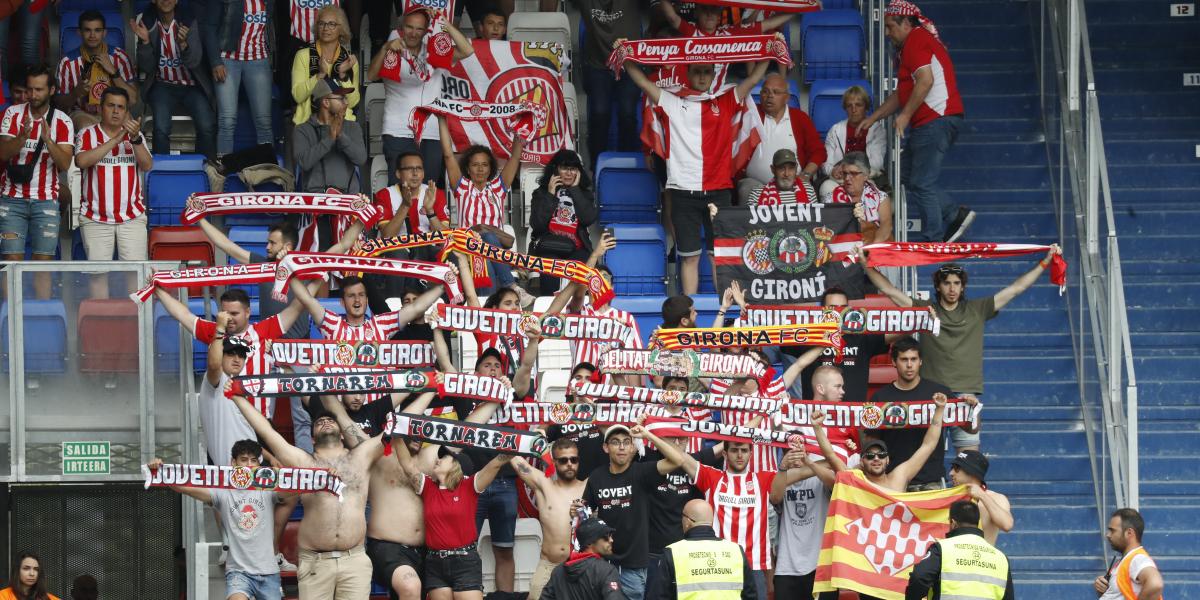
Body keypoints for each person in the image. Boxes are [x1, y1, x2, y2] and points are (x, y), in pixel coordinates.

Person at [860, 245, 1063, 452]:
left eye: (957, 283)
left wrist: (1045, 262)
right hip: (930, 394)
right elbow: (889, 291)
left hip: (966, 396)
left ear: (963, 286)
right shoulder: (925, 309)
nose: (952, 288)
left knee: (968, 459)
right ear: (938, 286)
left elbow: (1016, 289)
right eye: (946, 283)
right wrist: (865, 263)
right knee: (924, 456)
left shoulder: (978, 309)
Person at [620, 49, 772, 295]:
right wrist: (625, 56)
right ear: (687, 74)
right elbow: (642, 81)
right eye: (697, 72)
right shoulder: (672, 101)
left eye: (706, 72)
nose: (702, 77)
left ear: (714, 75)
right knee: (689, 257)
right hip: (683, 191)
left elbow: (753, 79)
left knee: (717, 256)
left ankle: (721, 312)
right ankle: (689, 312)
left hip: (719, 190)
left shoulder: (726, 98)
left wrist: (770, 49)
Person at [637, 424, 819, 600]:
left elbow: (801, 477)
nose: (739, 455)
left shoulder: (763, 478)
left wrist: (839, 453)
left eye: (744, 450)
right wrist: (650, 433)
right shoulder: (711, 477)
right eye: (734, 450)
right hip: (718, 565)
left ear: (751, 453)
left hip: (753, 565)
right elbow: (681, 456)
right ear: (724, 454)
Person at [232, 391, 385, 599]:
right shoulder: (304, 463)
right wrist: (237, 398)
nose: (324, 422)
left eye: (330, 420)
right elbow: (266, 433)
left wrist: (431, 386)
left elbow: (401, 430)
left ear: (342, 433)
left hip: (354, 562)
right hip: (315, 563)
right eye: (318, 421)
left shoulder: (362, 456)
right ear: (312, 438)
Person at [857, 0, 971, 243]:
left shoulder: (916, 39)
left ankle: (932, 239)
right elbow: (902, 93)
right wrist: (873, 118)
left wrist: (906, 115)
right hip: (934, 122)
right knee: (906, 175)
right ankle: (954, 214)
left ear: (907, 23)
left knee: (921, 182)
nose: (887, 34)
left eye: (890, 27)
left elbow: (925, 80)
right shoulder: (913, 43)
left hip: (936, 120)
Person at [147, 440, 283, 600]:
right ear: (233, 463)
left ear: (260, 465)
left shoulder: (268, 490)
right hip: (239, 573)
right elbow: (187, 488)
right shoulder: (223, 493)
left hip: (269, 572)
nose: (249, 465)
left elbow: (296, 488)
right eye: (244, 460)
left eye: (254, 461)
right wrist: (161, 471)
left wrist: (280, 476)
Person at [391, 437, 515, 600]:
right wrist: (396, 436)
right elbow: (407, 464)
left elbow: (496, 463)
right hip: (435, 563)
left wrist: (517, 444)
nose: (438, 459)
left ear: (457, 466)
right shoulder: (428, 487)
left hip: (465, 562)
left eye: (444, 458)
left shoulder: (469, 486)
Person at [0, 64, 75, 300]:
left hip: (46, 201)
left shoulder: (63, 121)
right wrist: (22, 137)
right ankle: (11, 318)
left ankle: (40, 316)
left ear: (52, 90)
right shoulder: (12, 114)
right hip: (12, 199)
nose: (33, 95)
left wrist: (48, 141)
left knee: (43, 263)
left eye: (39, 90)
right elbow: (3, 153)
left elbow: (64, 165)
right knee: (11, 262)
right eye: (30, 89)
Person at [582, 424, 678, 600]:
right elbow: (585, 514)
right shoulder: (596, 477)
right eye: (615, 442)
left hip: (632, 566)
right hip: (603, 564)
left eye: (627, 442)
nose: (621, 447)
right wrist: (576, 511)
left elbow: (677, 460)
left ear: (633, 447)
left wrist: (647, 435)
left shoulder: (642, 472)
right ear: (605, 447)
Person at [74, 87, 153, 299]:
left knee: (136, 276)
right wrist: (116, 140)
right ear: (100, 108)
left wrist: (134, 139)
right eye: (111, 106)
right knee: (98, 276)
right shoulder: (87, 134)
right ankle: (101, 328)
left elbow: (147, 165)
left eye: (121, 107)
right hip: (95, 217)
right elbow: (81, 161)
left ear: (127, 111)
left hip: (132, 217)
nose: (116, 111)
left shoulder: (136, 137)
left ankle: (135, 328)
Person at [542, 0, 643, 164]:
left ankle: (630, 164)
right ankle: (597, 166)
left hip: (630, 63)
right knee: (599, 113)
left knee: (627, 113)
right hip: (598, 65)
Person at [438, 113, 523, 292]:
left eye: (484, 165)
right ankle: (511, 286)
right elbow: (447, 155)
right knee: (487, 240)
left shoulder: (497, 188)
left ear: (491, 168)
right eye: (475, 165)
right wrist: (441, 120)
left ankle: (487, 305)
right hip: (466, 248)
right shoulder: (462, 188)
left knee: (488, 243)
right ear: (467, 168)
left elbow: (514, 158)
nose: (480, 169)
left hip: (493, 251)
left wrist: (521, 127)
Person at [863, 336, 959, 490]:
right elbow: (871, 441)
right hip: (894, 482)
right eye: (904, 359)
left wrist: (970, 408)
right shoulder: (880, 397)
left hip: (931, 482)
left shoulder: (939, 393)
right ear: (894, 362)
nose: (909, 365)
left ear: (920, 361)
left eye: (914, 359)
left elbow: (970, 428)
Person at [368, 11, 447, 187]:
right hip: (398, 130)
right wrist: (385, 48)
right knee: (399, 188)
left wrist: (443, 23)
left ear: (427, 31)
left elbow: (467, 50)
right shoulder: (392, 53)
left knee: (428, 188)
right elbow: (372, 75)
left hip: (432, 131)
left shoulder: (435, 53)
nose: (413, 32)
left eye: (419, 28)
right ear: (401, 28)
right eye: (409, 27)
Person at [812, 394, 946, 493]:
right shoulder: (855, 481)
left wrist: (939, 410)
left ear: (887, 460)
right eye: (870, 456)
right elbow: (830, 455)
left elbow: (928, 445)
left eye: (881, 455)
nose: (876, 458)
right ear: (862, 461)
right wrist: (817, 427)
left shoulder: (899, 477)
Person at [133, 0, 217, 158]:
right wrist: (145, 42)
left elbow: (194, 61)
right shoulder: (148, 22)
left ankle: (205, 170)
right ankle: (161, 170)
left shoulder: (189, 21)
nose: (166, 0)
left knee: (206, 126)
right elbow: (147, 67)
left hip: (192, 86)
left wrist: (184, 45)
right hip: (162, 85)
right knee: (161, 128)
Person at [511, 439, 589, 600]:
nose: (569, 464)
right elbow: (514, 459)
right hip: (548, 566)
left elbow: (617, 465)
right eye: (563, 460)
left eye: (574, 459)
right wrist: (530, 440)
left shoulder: (589, 486)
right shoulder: (544, 485)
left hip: (581, 566)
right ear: (554, 462)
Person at [656, 3, 792, 91]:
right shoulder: (691, 31)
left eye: (713, 9)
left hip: (717, 96)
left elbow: (766, 25)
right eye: (705, 9)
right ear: (697, 12)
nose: (709, 14)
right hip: (689, 95)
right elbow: (672, 18)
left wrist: (799, 10)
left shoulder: (729, 33)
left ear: (719, 13)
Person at [203, 0, 276, 155]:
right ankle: (224, 170)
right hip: (227, 60)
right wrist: (216, 61)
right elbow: (209, 28)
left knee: (264, 122)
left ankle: (266, 170)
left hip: (258, 59)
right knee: (227, 121)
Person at [797, 287, 894, 402]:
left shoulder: (862, 336)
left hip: (852, 415)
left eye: (843, 308)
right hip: (816, 415)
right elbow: (775, 331)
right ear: (822, 310)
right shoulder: (807, 336)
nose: (838, 312)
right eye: (832, 308)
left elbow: (901, 331)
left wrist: (916, 316)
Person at [647, 499, 756, 600]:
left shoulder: (673, 552)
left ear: (687, 521)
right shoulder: (736, 551)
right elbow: (750, 595)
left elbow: (658, 596)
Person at [905, 501, 1015, 600]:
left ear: (953, 523)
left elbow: (919, 578)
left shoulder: (942, 549)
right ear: (977, 523)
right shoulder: (1001, 558)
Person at [290, 274, 446, 342]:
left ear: (367, 299)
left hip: (376, 406)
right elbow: (306, 299)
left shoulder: (380, 324)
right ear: (342, 303)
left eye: (361, 295)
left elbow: (416, 308)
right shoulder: (333, 324)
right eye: (351, 296)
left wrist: (443, 285)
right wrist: (286, 266)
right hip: (343, 402)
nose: (357, 300)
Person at [742, 73, 824, 200]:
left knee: (805, 190)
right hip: (756, 184)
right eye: (765, 91)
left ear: (787, 98)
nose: (770, 96)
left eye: (776, 92)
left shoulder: (800, 118)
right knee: (745, 189)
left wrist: (806, 175)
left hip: (791, 181)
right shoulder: (752, 114)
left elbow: (819, 152)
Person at [770, 448, 838, 600]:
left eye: (799, 452)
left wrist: (808, 462)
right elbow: (774, 497)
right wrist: (783, 467)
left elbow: (835, 481)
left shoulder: (819, 477)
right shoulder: (781, 480)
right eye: (791, 453)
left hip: (821, 567)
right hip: (786, 568)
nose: (795, 457)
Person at [55, 10, 139, 130]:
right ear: (79, 32)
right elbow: (60, 105)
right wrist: (76, 92)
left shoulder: (119, 57)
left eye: (97, 30)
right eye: (87, 30)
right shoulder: (67, 62)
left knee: (129, 125)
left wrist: (114, 73)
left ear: (104, 33)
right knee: (87, 128)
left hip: (115, 110)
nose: (92, 35)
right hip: (82, 113)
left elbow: (132, 100)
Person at [530, 149, 598, 294]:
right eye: (564, 168)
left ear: (578, 172)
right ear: (555, 170)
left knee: (583, 266)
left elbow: (588, 218)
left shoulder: (584, 193)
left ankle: (577, 310)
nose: (568, 173)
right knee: (549, 265)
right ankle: (550, 312)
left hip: (577, 248)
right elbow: (537, 224)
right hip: (550, 246)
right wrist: (550, 194)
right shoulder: (541, 192)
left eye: (573, 169)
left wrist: (575, 190)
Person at [294, 77, 366, 194]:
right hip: (315, 199)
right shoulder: (302, 130)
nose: (346, 103)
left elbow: (361, 159)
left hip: (347, 198)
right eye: (341, 98)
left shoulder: (353, 127)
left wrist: (341, 136)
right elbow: (304, 163)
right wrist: (330, 139)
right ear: (326, 102)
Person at [290, 5, 360, 125]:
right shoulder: (303, 56)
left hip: (343, 124)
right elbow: (298, 96)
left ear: (341, 29)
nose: (325, 28)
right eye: (321, 24)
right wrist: (319, 75)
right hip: (309, 124)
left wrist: (343, 76)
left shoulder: (349, 60)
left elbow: (353, 103)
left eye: (332, 24)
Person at [198, 327, 255, 465]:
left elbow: (245, 433)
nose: (237, 359)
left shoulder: (236, 385)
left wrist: (270, 457)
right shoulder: (215, 380)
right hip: (227, 470)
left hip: (251, 465)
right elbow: (213, 365)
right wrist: (220, 328)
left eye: (241, 355)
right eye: (231, 354)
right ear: (221, 355)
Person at [821, 85, 885, 194]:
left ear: (866, 106)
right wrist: (832, 170)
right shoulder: (836, 130)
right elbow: (825, 162)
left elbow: (877, 163)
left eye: (858, 105)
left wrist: (853, 170)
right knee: (826, 188)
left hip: (866, 177)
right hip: (840, 178)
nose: (854, 110)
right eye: (849, 106)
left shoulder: (876, 129)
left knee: (869, 190)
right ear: (845, 108)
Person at [541, 518, 626, 600]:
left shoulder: (558, 572)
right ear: (589, 542)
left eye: (611, 535)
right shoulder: (607, 571)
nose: (611, 540)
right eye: (606, 536)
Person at [373, 151, 449, 240]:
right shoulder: (384, 195)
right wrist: (404, 206)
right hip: (397, 248)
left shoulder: (434, 193)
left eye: (419, 168)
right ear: (398, 173)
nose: (415, 173)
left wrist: (430, 211)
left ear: (423, 173)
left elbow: (445, 238)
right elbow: (387, 236)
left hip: (428, 247)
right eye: (409, 168)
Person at [1094, 508, 1164, 600]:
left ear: (1129, 533)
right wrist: (1104, 590)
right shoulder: (1124, 562)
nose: (1108, 535)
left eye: (1112, 530)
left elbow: (1155, 584)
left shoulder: (1137, 558)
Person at [948, 450, 1014, 543]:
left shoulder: (996, 498)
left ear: (972, 471)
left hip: (983, 556)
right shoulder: (947, 499)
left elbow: (1007, 525)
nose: (951, 473)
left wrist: (982, 495)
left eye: (957, 468)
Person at [834, 152, 893, 244]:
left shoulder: (881, 198)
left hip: (873, 247)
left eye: (853, 173)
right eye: (845, 173)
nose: (847, 178)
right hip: (843, 247)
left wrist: (871, 249)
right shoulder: (832, 198)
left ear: (866, 175)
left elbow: (886, 227)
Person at [743, 148, 817, 206]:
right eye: (781, 168)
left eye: (791, 168)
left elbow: (816, 221)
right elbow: (751, 225)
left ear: (796, 169)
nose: (786, 174)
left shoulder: (808, 190)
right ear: (773, 169)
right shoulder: (757, 193)